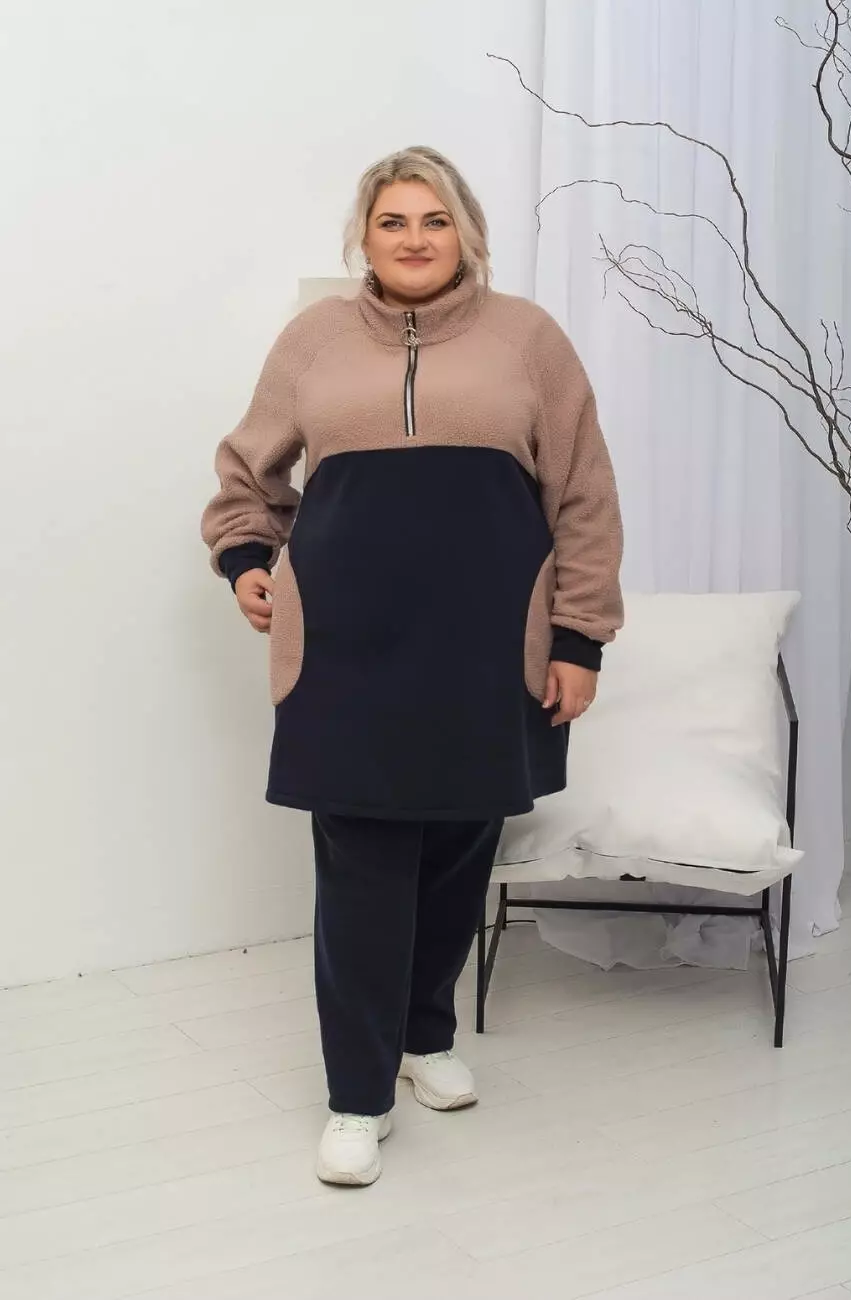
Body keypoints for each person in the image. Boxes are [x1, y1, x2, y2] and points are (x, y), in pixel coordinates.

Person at [201, 146, 623, 1187]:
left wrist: (579, 637)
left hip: (489, 643)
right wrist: (247, 558)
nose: (414, 238)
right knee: (361, 858)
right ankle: (356, 1094)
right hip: (343, 643)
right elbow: (247, 472)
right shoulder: (311, 340)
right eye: (393, 220)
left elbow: (582, 494)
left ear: (466, 232)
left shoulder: (528, 339)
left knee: (459, 845)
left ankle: (424, 1036)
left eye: (434, 219)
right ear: (364, 236)